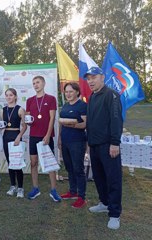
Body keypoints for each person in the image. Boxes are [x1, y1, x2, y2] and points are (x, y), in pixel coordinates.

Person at [85, 67, 123, 230]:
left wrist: (115, 143)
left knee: (113, 178)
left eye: (94, 77)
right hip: (94, 145)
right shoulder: (92, 96)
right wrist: (89, 143)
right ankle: (105, 203)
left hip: (109, 145)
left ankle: (114, 214)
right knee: (99, 177)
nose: (90, 81)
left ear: (102, 77)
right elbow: (91, 122)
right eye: (88, 78)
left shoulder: (111, 95)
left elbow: (116, 120)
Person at [26, 75, 61, 202]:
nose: (36, 85)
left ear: (44, 84)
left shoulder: (51, 99)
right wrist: (28, 122)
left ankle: (53, 190)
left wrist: (47, 134)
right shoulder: (30, 100)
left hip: (46, 136)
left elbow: (52, 118)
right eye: (34, 83)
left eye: (38, 82)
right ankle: (35, 188)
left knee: (50, 164)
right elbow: (28, 118)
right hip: (33, 136)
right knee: (33, 163)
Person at [58, 82, 87, 208]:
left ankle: (81, 197)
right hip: (65, 141)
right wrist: (59, 138)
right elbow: (60, 124)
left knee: (78, 169)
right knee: (69, 168)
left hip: (77, 141)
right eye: (66, 92)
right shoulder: (64, 106)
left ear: (77, 92)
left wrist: (70, 123)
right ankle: (72, 191)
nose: (68, 94)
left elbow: (84, 124)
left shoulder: (82, 106)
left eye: (71, 91)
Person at [1, 88, 27, 198]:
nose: (8, 97)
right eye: (7, 95)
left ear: (15, 96)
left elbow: (25, 126)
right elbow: (2, 124)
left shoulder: (20, 109)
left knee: (18, 163)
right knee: (10, 163)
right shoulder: (3, 110)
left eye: (11, 95)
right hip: (6, 136)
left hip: (16, 136)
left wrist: (19, 136)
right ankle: (13, 186)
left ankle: (20, 188)